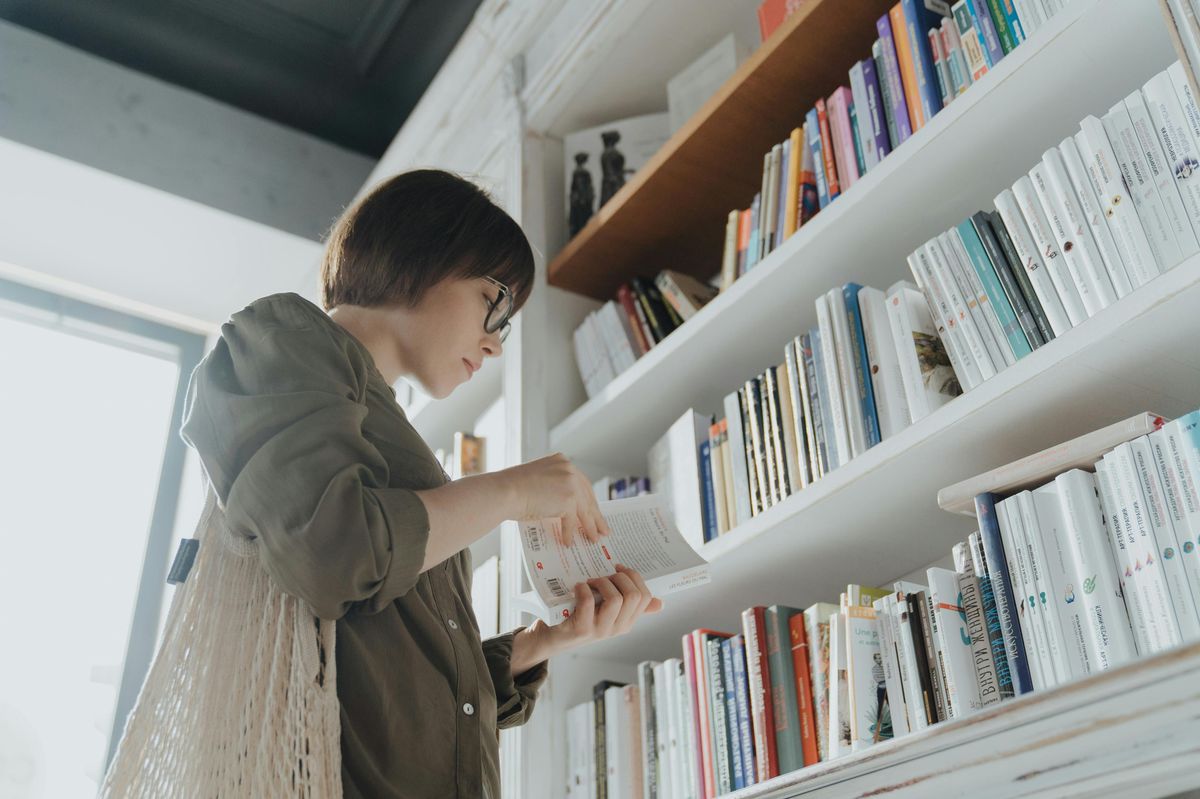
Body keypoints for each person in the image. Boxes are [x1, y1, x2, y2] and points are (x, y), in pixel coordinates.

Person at [179, 168, 662, 798]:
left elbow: (401, 691)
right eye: (496, 305)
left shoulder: (389, 434)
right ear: (423, 254)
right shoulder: (284, 339)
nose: (494, 346)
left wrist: (546, 640)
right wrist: (512, 491)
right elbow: (335, 556)